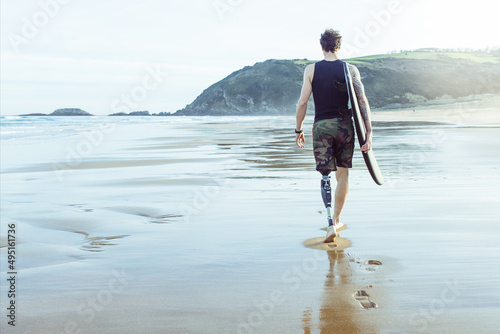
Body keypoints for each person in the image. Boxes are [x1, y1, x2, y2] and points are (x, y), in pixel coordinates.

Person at [295, 29, 373, 242]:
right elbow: (362, 101)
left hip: (321, 126)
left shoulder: (311, 70)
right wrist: (369, 132)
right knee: (343, 174)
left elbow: (302, 102)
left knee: (326, 175)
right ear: (338, 46)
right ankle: (337, 220)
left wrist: (298, 129)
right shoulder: (350, 69)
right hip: (344, 126)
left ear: (322, 46)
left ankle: (329, 221)